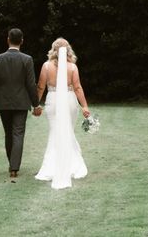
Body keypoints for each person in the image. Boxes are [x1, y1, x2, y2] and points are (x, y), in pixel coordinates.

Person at [35, 37, 90, 189]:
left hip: (52, 101)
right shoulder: (72, 67)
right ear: (68, 50)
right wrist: (84, 106)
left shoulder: (46, 66)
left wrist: (35, 105)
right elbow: (78, 88)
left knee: (55, 132)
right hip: (70, 100)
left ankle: (52, 167)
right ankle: (72, 165)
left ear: (53, 50)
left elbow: (40, 87)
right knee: (68, 132)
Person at [0, 28, 42, 180]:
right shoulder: (27, 59)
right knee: (18, 133)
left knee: (9, 134)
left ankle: (12, 165)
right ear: (22, 41)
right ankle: (14, 168)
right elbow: (31, 84)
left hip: (3, 103)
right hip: (21, 103)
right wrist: (36, 104)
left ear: (8, 40)